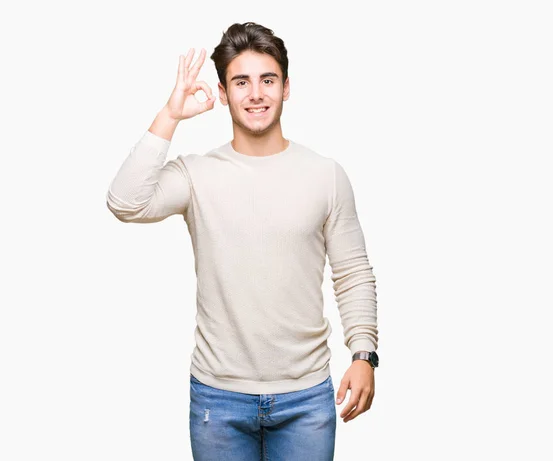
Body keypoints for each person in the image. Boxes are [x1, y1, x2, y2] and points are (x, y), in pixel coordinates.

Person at [106, 21, 379, 461]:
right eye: (241, 81)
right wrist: (170, 115)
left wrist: (364, 354)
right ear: (223, 92)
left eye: (267, 80)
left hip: (306, 397)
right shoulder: (196, 174)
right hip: (219, 398)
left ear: (286, 87)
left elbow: (353, 273)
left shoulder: (325, 174)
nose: (256, 93)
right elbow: (125, 202)